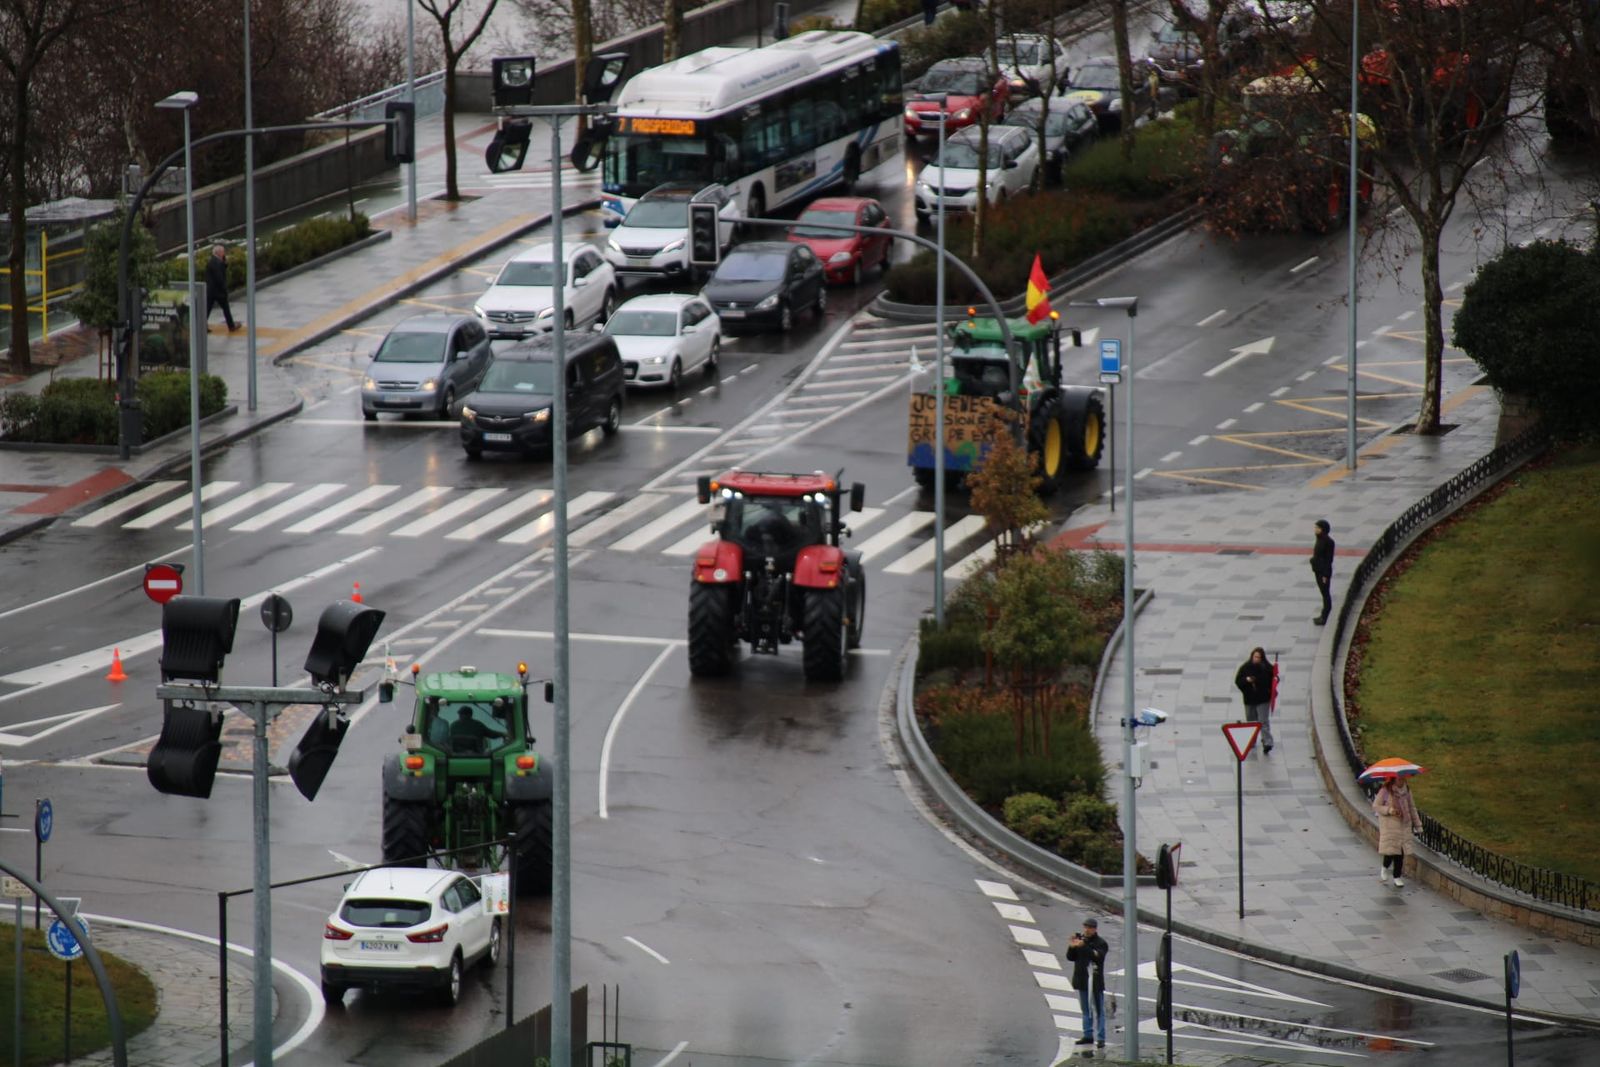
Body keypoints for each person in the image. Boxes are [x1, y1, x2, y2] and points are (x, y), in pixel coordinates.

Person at [1065, 916, 1109, 1053]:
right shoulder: (1081, 941)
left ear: (1095, 929)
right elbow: (1071, 957)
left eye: (1089, 927)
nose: (1087, 930)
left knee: (1099, 1010)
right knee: (1086, 1010)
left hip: (1095, 982)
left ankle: (1101, 1037)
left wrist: (1083, 946)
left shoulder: (1101, 943)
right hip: (1082, 980)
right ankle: (1087, 1035)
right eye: (1085, 927)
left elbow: (1096, 956)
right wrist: (1072, 946)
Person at [1373, 776, 1422, 887]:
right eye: (1399, 779)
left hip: (1404, 825)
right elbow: (1376, 806)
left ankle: (1397, 877)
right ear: (1394, 779)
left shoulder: (1407, 791)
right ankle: (1384, 868)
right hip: (1390, 826)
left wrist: (1418, 825)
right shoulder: (1385, 790)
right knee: (1391, 852)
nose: (1401, 781)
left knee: (1400, 853)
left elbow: (1412, 807)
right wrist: (1389, 810)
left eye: (1403, 779)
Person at [1234, 647, 1275, 755]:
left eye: (1259, 657)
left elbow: (1273, 679)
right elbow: (1238, 681)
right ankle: (1251, 741)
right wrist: (1247, 680)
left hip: (1263, 699)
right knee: (1251, 721)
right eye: (1255, 657)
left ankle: (1267, 742)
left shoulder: (1266, 668)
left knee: (1263, 721)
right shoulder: (1245, 668)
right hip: (1250, 699)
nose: (1257, 659)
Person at [205, 244, 239, 332]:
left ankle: (201, 326)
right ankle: (231, 326)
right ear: (219, 252)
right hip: (218, 291)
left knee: (207, 310)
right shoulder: (217, 263)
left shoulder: (212, 261)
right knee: (226, 309)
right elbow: (220, 278)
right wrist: (224, 289)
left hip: (211, 291)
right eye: (223, 252)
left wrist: (224, 262)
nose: (224, 254)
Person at [1310, 519, 1335, 625]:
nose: (1315, 529)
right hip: (1318, 570)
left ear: (1323, 529)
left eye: (1317, 528)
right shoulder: (1319, 539)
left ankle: (1325, 616)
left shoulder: (1328, 542)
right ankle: (1323, 615)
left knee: (1325, 594)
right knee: (1323, 593)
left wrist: (1325, 574)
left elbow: (1328, 559)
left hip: (1323, 572)